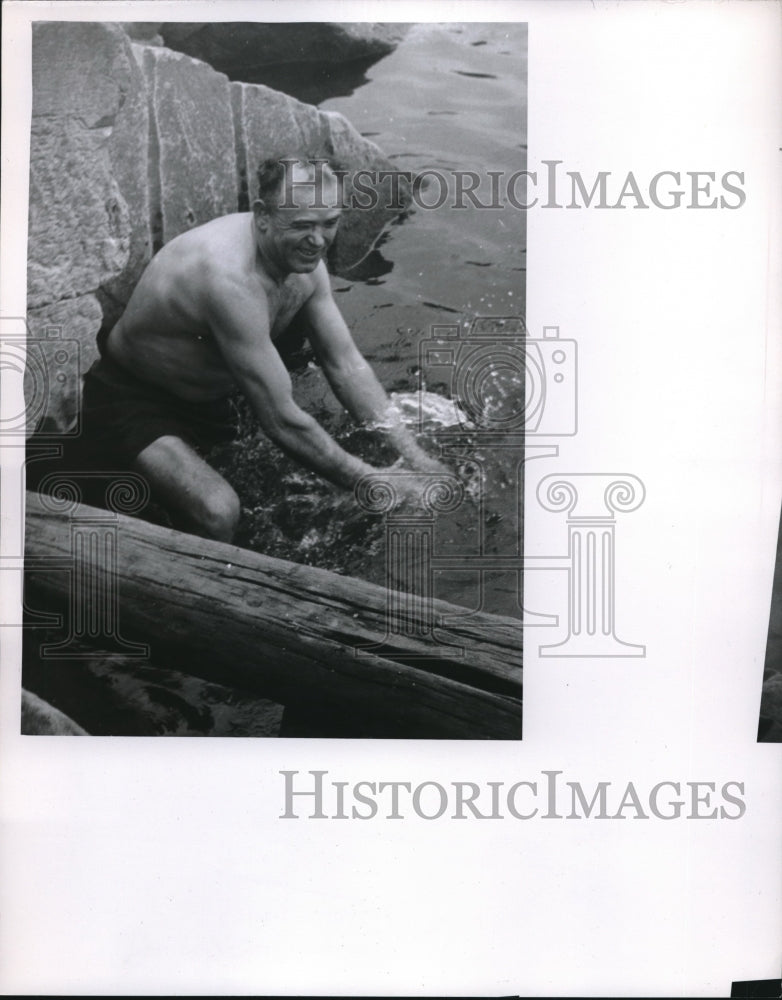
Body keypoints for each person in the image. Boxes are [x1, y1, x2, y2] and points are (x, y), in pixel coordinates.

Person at [81, 158, 447, 541]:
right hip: (132, 398)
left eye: (330, 223)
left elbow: (345, 364)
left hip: (214, 400)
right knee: (219, 512)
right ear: (262, 216)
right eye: (303, 225)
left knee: (291, 480)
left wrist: (416, 456)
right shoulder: (228, 277)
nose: (319, 240)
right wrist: (374, 483)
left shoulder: (304, 260)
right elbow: (281, 419)